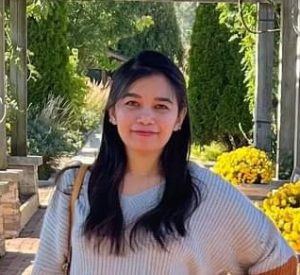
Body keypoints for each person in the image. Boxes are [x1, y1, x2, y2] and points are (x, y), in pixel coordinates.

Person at [32, 51, 298, 275]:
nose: (146, 117)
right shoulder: (76, 187)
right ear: (112, 112)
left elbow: (279, 261)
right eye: (132, 103)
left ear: (179, 118)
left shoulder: (206, 192)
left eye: (161, 106)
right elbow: (47, 270)